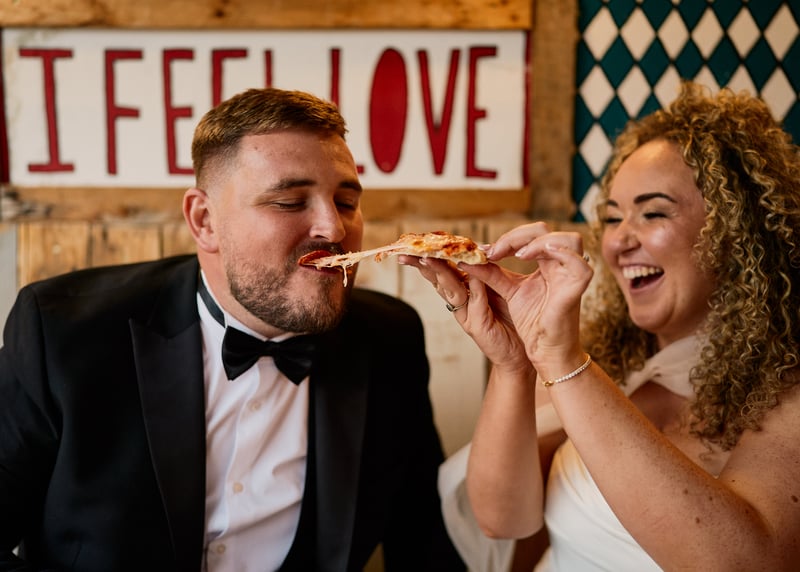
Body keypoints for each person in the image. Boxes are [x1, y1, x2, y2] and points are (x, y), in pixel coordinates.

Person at [0, 87, 464, 571]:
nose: (333, 228)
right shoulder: (62, 330)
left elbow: (425, 546)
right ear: (205, 221)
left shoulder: (390, 337)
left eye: (346, 201)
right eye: (289, 201)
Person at [402, 81, 800, 570]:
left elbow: (746, 563)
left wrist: (562, 361)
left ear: (738, 231)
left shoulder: (786, 392)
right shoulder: (600, 357)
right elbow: (503, 520)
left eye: (653, 213)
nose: (619, 242)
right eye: (612, 219)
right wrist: (514, 364)